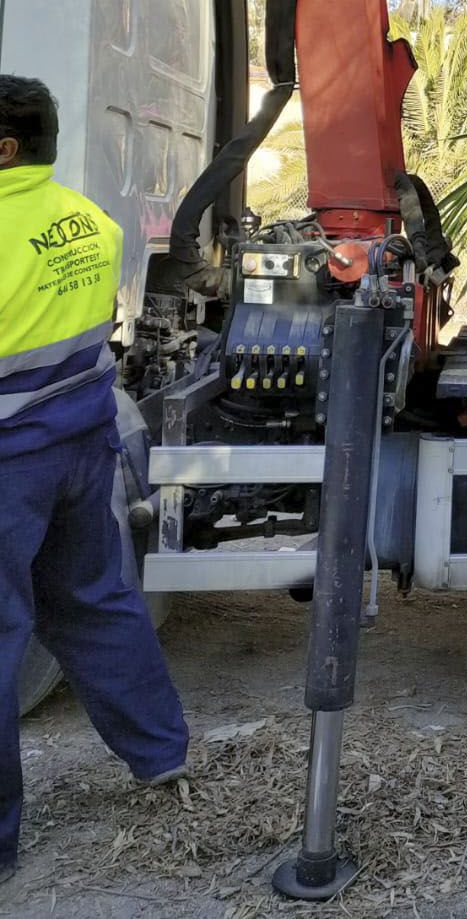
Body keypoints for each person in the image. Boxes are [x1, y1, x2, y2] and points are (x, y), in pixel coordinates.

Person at [0, 76, 188, 882]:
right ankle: (160, 752)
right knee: (93, 599)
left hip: (9, 464)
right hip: (82, 444)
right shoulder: (90, 220)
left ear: (5, 147)